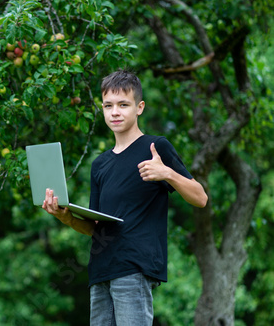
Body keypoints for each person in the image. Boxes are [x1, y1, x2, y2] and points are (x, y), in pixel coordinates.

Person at [42, 70, 208, 325]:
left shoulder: (156, 148)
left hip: (134, 268)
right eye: (108, 105)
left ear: (139, 107)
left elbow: (200, 198)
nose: (115, 112)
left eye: (123, 105)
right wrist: (65, 217)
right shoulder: (100, 164)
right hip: (100, 271)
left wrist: (167, 173)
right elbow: (94, 228)